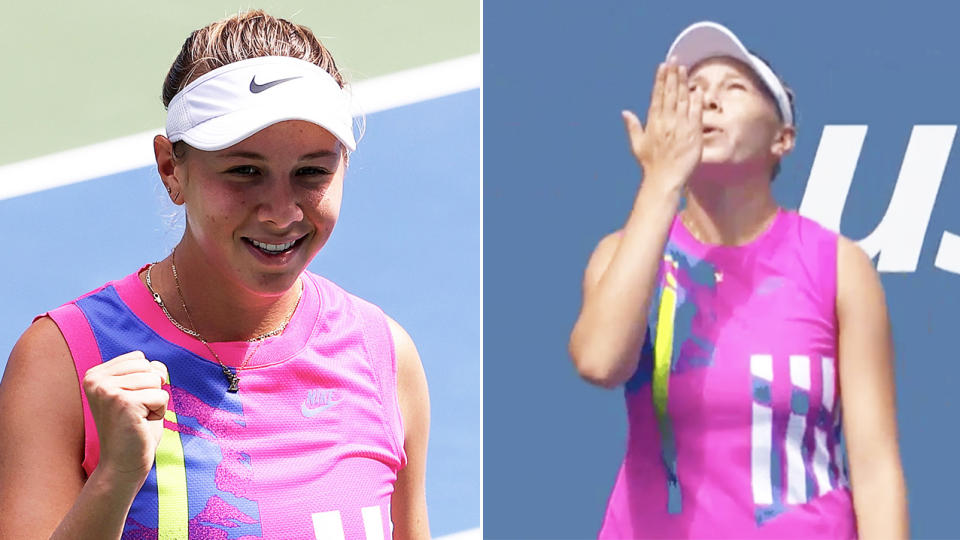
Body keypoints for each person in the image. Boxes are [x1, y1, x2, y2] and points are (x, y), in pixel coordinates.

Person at [0, 10, 430, 540]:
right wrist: (114, 481)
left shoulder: (383, 355)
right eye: (244, 171)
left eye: (312, 172)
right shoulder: (61, 362)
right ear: (170, 169)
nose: (281, 211)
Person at [568, 21, 907, 538]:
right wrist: (661, 182)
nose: (708, 102)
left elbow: (876, 466)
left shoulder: (840, 268)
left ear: (782, 139)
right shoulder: (624, 255)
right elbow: (598, 360)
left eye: (734, 88)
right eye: (694, 91)